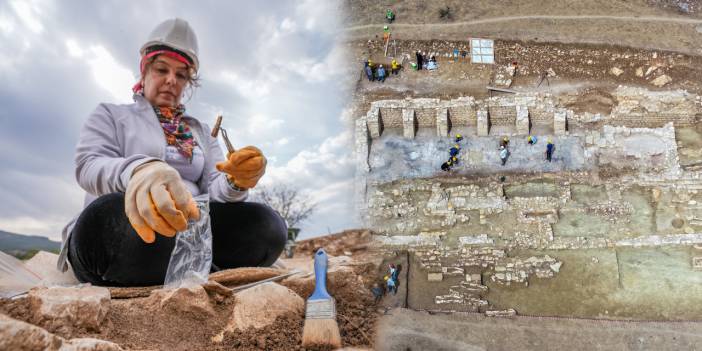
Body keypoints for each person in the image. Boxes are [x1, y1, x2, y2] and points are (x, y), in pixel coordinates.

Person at [58, 18, 287, 286]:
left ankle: (185, 262)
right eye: (161, 69)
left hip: (191, 230)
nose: (171, 80)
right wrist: (140, 170)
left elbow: (215, 192)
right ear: (144, 71)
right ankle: (190, 263)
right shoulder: (111, 115)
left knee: (266, 226)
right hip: (128, 222)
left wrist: (236, 181)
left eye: (180, 75)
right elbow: (89, 166)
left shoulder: (200, 132)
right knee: (112, 221)